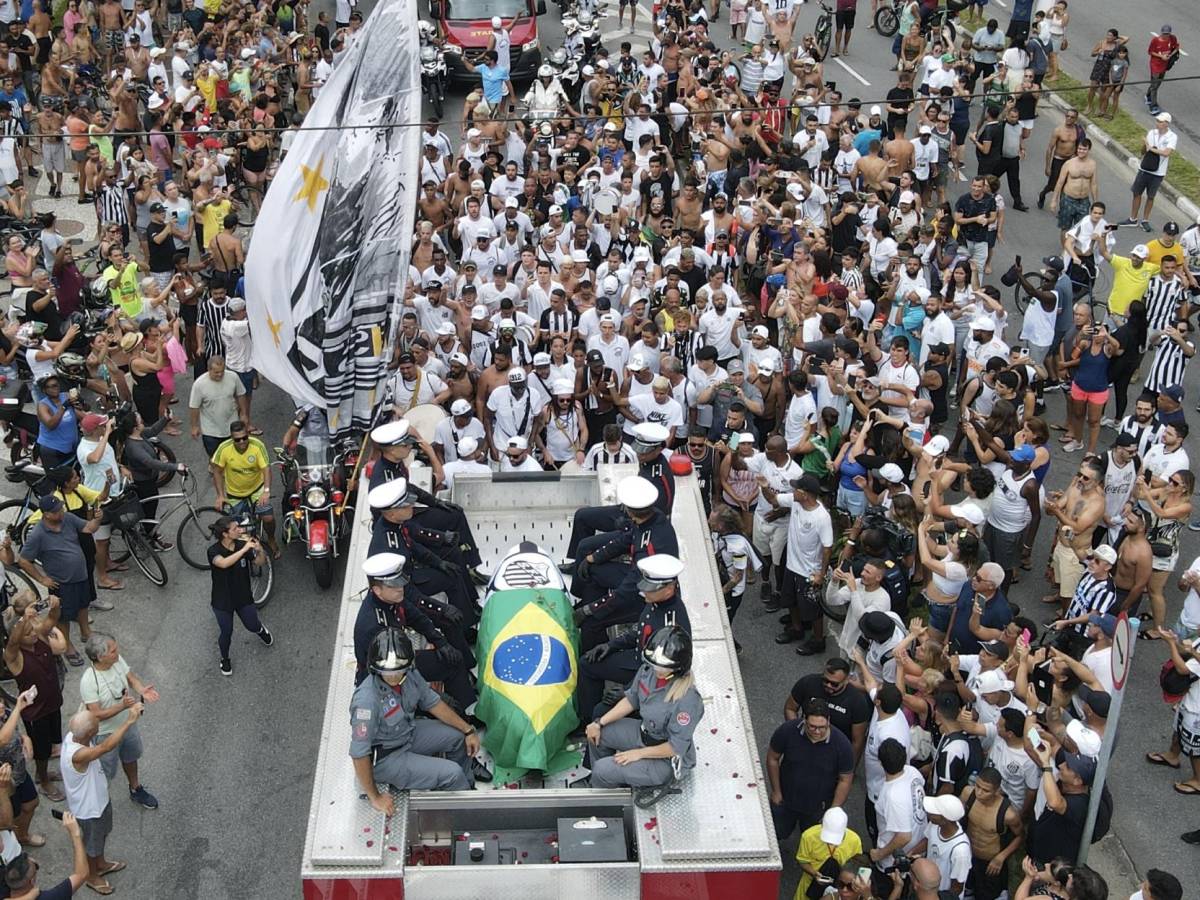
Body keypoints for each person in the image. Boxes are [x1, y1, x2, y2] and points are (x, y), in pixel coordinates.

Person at [349, 628, 480, 806]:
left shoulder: (409, 675)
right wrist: (376, 797)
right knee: (452, 773)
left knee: (458, 738)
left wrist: (468, 730)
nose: (394, 676)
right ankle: (465, 808)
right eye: (387, 672)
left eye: (399, 670)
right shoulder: (367, 701)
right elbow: (359, 753)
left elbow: (433, 703)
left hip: (407, 734)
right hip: (388, 758)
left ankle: (465, 788)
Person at [586, 626, 703, 790]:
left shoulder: (688, 700)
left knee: (601, 769)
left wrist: (637, 754)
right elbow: (632, 700)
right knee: (596, 735)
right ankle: (610, 780)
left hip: (664, 759)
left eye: (663, 668)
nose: (657, 670)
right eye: (655, 665)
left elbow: (675, 747)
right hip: (644, 735)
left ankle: (602, 785)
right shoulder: (649, 670)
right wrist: (599, 723)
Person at [578, 554, 689, 721]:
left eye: (650, 588)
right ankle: (584, 721)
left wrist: (629, 691)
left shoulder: (671, 625)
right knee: (587, 663)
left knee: (601, 713)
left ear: (668, 590)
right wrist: (611, 645)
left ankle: (593, 724)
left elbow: (664, 672)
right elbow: (641, 631)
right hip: (639, 660)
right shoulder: (656, 604)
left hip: (650, 676)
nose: (644, 592)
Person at [61, 705, 143, 895]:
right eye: (95, 723)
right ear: (89, 733)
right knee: (91, 844)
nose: (99, 723)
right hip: (89, 810)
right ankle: (91, 876)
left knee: (101, 836)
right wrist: (129, 721)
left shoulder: (74, 735)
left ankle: (100, 863)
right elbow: (105, 747)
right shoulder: (77, 755)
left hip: (99, 801)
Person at [17, 495, 101, 667]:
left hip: (81, 575)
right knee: (63, 616)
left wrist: (97, 519)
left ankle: (86, 632)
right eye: (57, 511)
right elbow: (23, 560)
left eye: (61, 508)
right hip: (61, 583)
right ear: (47, 514)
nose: (61, 512)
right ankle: (67, 645)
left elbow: (88, 528)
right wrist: (42, 579)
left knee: (84, 604)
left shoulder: (68, 518)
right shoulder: (38, 534)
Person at [78, 634, 159, 809]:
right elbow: (96, 714)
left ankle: (136, 788)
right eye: (113, 651)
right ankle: (98, 805)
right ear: (100, 657)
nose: (118, 652)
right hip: (105, 735)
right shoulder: (89, 681)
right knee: (105, 771)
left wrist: (141, 690)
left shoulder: (116, 661)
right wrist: (122, 706)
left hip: (127, 724)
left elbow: (130, 677)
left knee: (131, 757)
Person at [760, 473, 834, 655]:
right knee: (790, 599)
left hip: (810, 571)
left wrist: (821, 574)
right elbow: (772, 498)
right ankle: (797, 628)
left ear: (806, 494)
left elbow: (827, 548)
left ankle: (818, 640)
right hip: (792, 564)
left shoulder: (822, 518)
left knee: (813, 608)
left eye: (797, 488)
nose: (793, 491)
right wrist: (763, 485)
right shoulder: (795, 501)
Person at [3, 593, 66, 803]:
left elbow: (52, 619)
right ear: (18, 634)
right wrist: (22, 620)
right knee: (41, 751)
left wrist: (55, 606)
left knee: (51, 744)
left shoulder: (39, 637)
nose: (32, 634)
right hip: (35, 712)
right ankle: (43, 779)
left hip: (52, 703)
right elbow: (12, 642)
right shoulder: (14, 656)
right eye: (26, 632)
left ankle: (45, 772)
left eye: (33, 630)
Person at [767, 698, 854, 841]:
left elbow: (845, 779)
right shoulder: (788, 731)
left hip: (818, 806)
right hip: (786, 799)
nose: (817, 731)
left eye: (822, 727)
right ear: (804, 719)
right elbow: (773, 758)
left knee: (814, 840)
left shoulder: (842, 745)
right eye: (812, 726)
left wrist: (833, 810)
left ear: (829, 721)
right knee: (778, 833)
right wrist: (776, 791)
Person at [206, 516, 274, 677]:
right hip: (222, 600)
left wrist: (259, 550)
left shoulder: (242, 544)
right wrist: (244, 551)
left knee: (252, 625)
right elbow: (223, 564)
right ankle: (225, 658)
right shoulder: (213, 551)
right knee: (226, 631)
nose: (240, 530)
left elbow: (259, 562)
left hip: (243, 596)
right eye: (235, 528)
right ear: (225, 534)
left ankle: (260, 629)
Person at [209, 420, 279, 559]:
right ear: (231, 438)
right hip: (235, 494)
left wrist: (266, 491)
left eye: (244, 437)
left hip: (256, 490)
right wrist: (220, 496)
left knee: (268, 518)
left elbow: (266, 469)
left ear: (248, 434)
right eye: (237, 439)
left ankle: (271, 539)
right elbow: (217, 472)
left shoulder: (257, 446)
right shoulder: (224, 449)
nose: (242, 442)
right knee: (240, 529)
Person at [958, 768, 1025, 900]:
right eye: (977, 786)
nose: (979, 793)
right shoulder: (968, 794)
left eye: (986, 790)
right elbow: (956, 816)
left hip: (990, 864)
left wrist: (1001, 857)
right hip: (967, 856)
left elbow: (1020, 836)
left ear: (996, 791)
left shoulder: (1008, 814)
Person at [3, 808, 91, 897]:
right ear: (32, 880)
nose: (33, 859)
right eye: (36, 867)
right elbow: (82, 874)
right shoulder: (50, 897)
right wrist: (75, 833)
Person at [793, 807, 863, 900]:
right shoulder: (808, 836)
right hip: (810, 883)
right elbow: (802, 861)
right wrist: (814, 874)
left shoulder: (855, 841)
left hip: (840, 887)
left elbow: (857, 865)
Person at [912, 794, 972, 897]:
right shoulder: (935, 825)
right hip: (926, 890)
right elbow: (927, 840)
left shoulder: (960, 851)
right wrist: (910, 854)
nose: (929, 813)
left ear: (944, 819)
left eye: (933, 812)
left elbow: (957, 887)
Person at [188, 356, 249, 457]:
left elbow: (241, 394)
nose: (220, 375)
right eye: (216, 372)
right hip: (211, 430)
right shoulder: (199, 384)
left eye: (222, 371)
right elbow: (194, 407)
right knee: (215, 459)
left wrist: (244, 413)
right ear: (209, 370)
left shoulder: (233, 377)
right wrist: (194, 426)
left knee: (234, 456)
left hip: (232, 426)